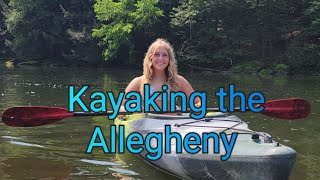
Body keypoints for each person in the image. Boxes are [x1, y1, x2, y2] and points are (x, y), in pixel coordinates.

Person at [120, 38, 201, 114]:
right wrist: (129, 109)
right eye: (157, 54)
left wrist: (198, 106)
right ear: (150, 57)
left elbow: (197, 102)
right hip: (148, 125)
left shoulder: (179, 81)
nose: (160, 58)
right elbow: (120, 106)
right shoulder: (138, 81)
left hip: (173, 123)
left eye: (165, 55)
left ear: (169, 59)